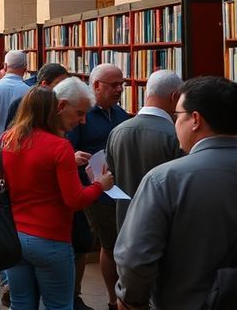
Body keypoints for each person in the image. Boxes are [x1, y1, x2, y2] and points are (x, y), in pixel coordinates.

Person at [114, 76, 237, 310]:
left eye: (177, 115)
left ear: (195, 120)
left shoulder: (165, 179)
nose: (174, 123)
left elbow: (136, 258)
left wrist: (131, 300)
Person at [0, 80, 114, 310]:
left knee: (20, 303)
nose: (82, 120)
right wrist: (101, 184)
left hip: (15, 235)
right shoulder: (59, 147)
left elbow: (0, 177)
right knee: (58, 305)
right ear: (54, 110)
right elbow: (75, 199)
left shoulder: (6, 139)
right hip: (50, 238)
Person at [67, 63, 130, 310]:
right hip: (93, 191)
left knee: (121, 242)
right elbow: (66, 149)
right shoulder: (83, 114)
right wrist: (76, 156)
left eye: (122, 84)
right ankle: (113, 300)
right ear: (96, 86)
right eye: (114, 85)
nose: (119, 89)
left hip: (118, 186)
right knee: (110, 243)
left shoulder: (119, 113)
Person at [105, 69, 184, 230]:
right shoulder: (175, 136)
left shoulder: (117, 131)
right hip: (162, 223)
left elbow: (108, 176)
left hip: (125, 220)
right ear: (174, 96)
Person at [4, 62, 70, 128]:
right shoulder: (19, 105)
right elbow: (9, 135)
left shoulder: (66, 107)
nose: (65, 89)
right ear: (44, 84)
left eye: (67, 85)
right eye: (60, 85)